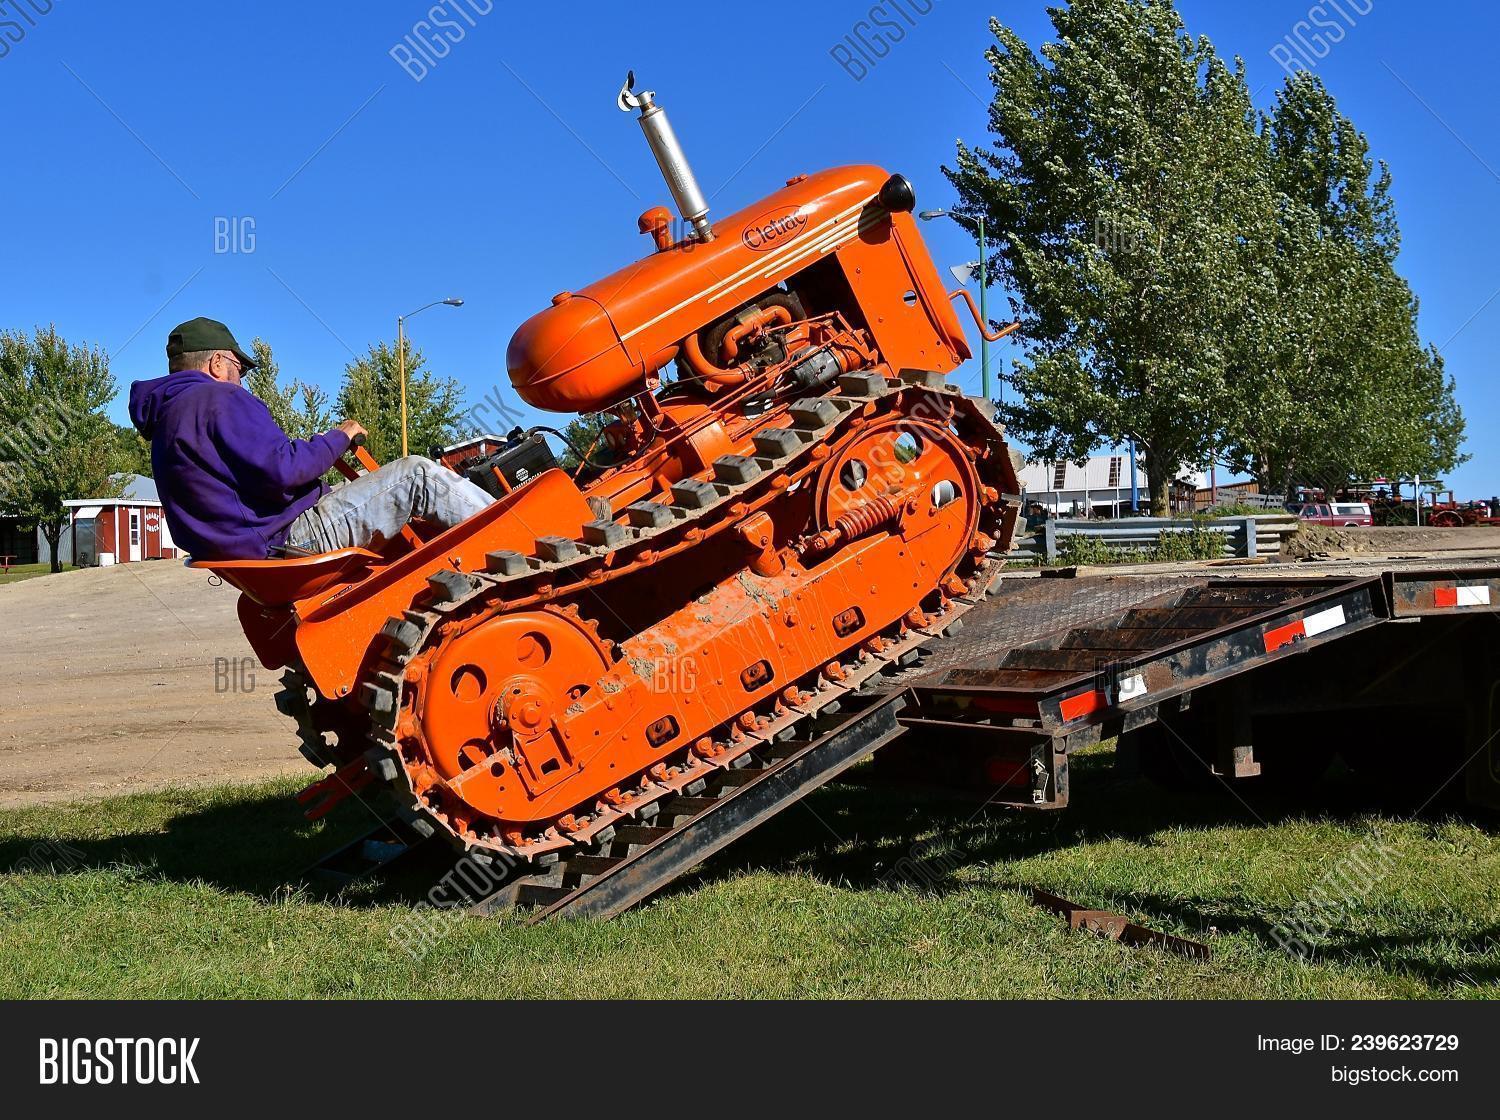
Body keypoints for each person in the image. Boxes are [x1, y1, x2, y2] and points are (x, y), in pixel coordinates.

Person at [129, 316, 492, 561]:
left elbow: (261, 474)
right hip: (287, 539)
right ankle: (520, 540)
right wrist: (339, 436)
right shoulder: (219, 398)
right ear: (218, 363)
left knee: (371, 486)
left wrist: (319, 447)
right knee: (417, 475)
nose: (241, 379)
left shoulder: (168, 419)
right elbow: (284, 469)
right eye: (239, 369)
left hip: (253, 545)